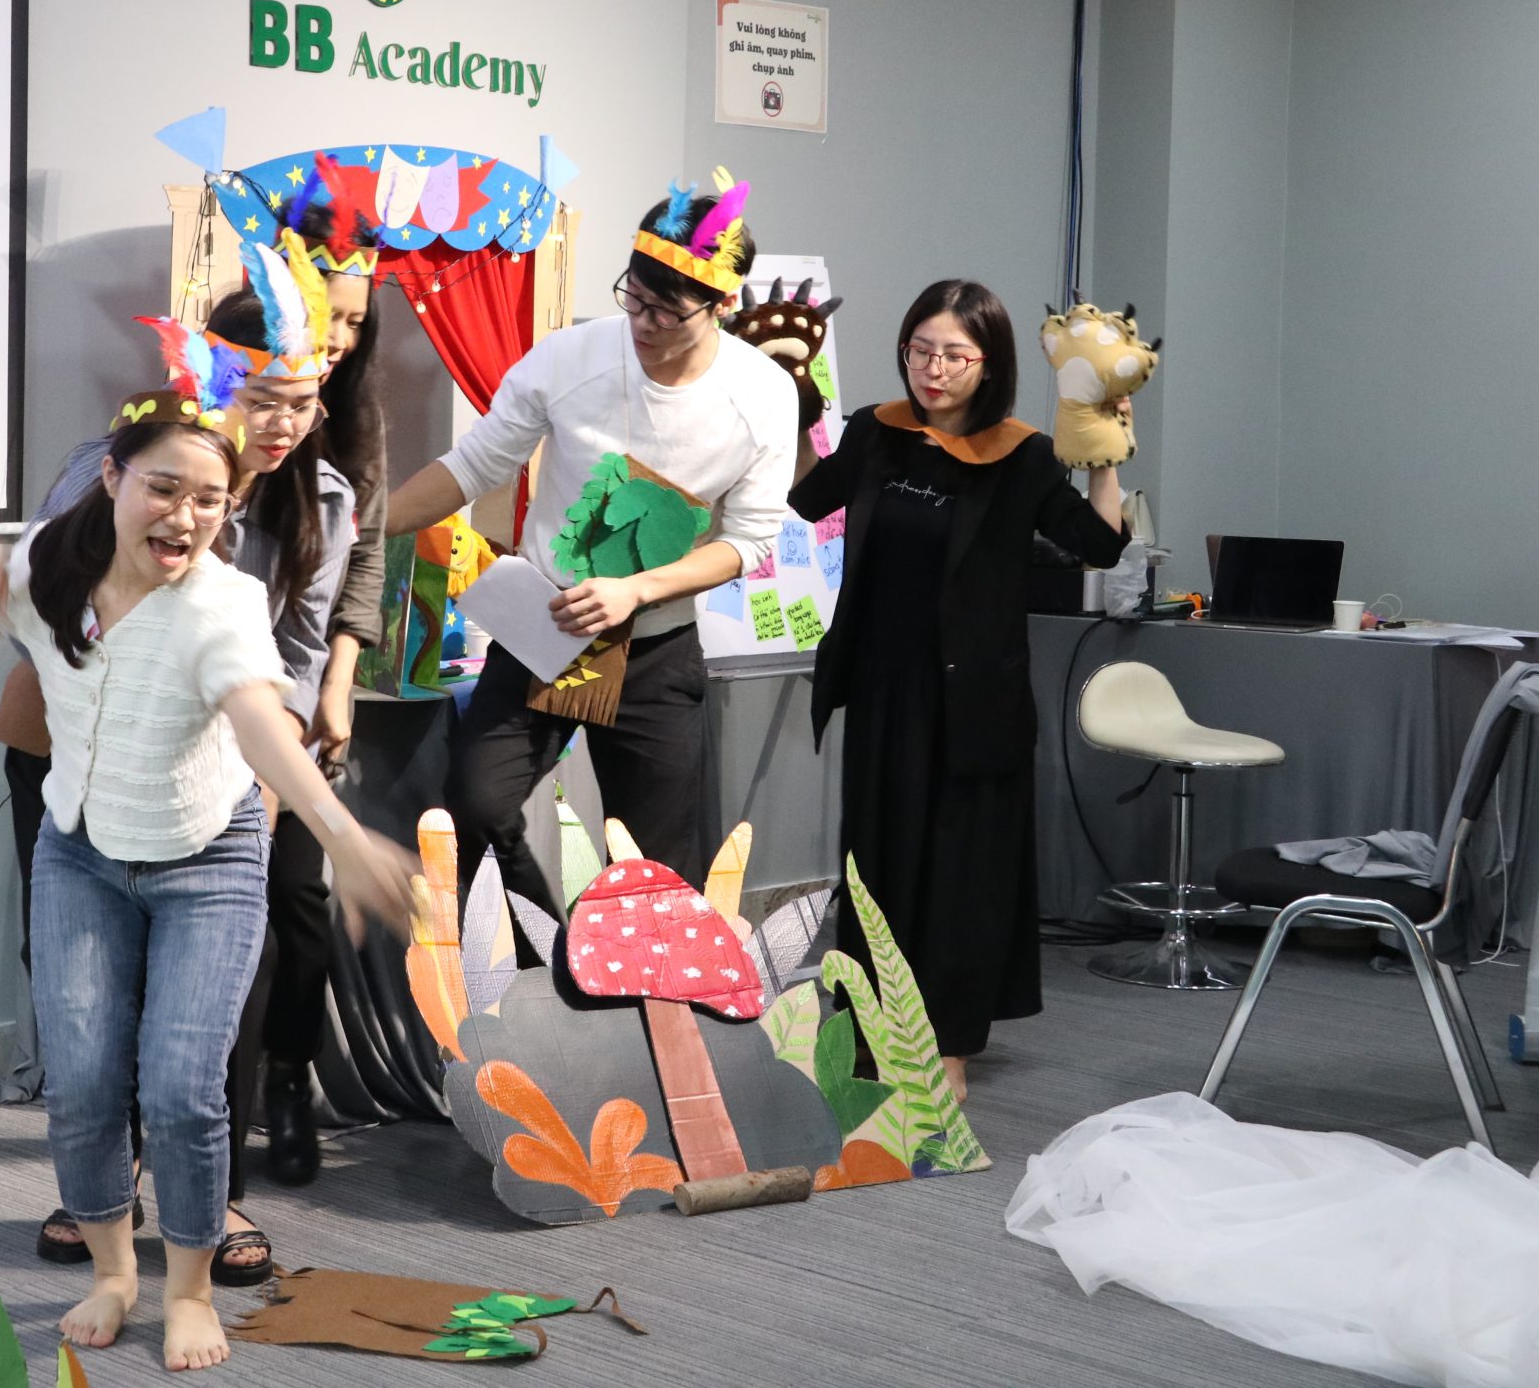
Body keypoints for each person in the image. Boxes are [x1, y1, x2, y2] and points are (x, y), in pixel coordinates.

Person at [0, 338, 415, 1373]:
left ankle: (189, 1289)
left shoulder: (224, 602)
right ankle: (115, 1273)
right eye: (164, 488)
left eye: (210, 500)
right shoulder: (47, 565)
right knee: (80, 1078)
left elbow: (258, 722)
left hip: (207, 856)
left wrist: (341, 835)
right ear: (112, 477)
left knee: (182, 1086)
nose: (187, 517)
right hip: (80, 848)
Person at [2, 226, 362, 1284]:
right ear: (208, 382)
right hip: (81, 753)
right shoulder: (110, 471)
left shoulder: (323, 499)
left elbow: (296, 652)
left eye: (304, 403)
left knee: (226, 984)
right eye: (264, 400)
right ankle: (102, 1181)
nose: (283, 425)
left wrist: (270, 771)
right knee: (85, 990)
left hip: (234, 763)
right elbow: (49, 603)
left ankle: (216, 1192)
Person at [384, 172, 797, 907]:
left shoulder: (762, 393)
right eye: (633, 296)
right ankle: (547, 955)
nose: (643, 323)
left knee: (654, 868)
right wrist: (363, 521)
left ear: (722, 304)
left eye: (667, 311)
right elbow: (474, 465)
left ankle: (618, 973)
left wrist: (637, 589)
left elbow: (750, 539)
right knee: (473, 807)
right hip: (544, 627)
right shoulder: (572, 357)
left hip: (656, 646)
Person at [787, 279, 1128, 1103]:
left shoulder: (1021, 455)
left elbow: (1099, 544)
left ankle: (948, 1045)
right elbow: (809, 497)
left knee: (959, 876)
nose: (932, 370)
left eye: (953, 355)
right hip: (882, 691)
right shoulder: (877, 431)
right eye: (920, 350)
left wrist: (1106, 450)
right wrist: (800, 413)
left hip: (973, 702)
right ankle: (866, 1031)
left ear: (989, 364)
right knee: (876, 869)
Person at [264, 163, 387, 1190]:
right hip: (217, 705)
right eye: (326, 316)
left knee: (298, 904)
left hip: (298, 697)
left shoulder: (354, 418)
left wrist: (338, 680)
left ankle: (285, 1084)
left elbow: (363, 558)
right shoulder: (236, 397)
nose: (340, 338)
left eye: (354, 319)